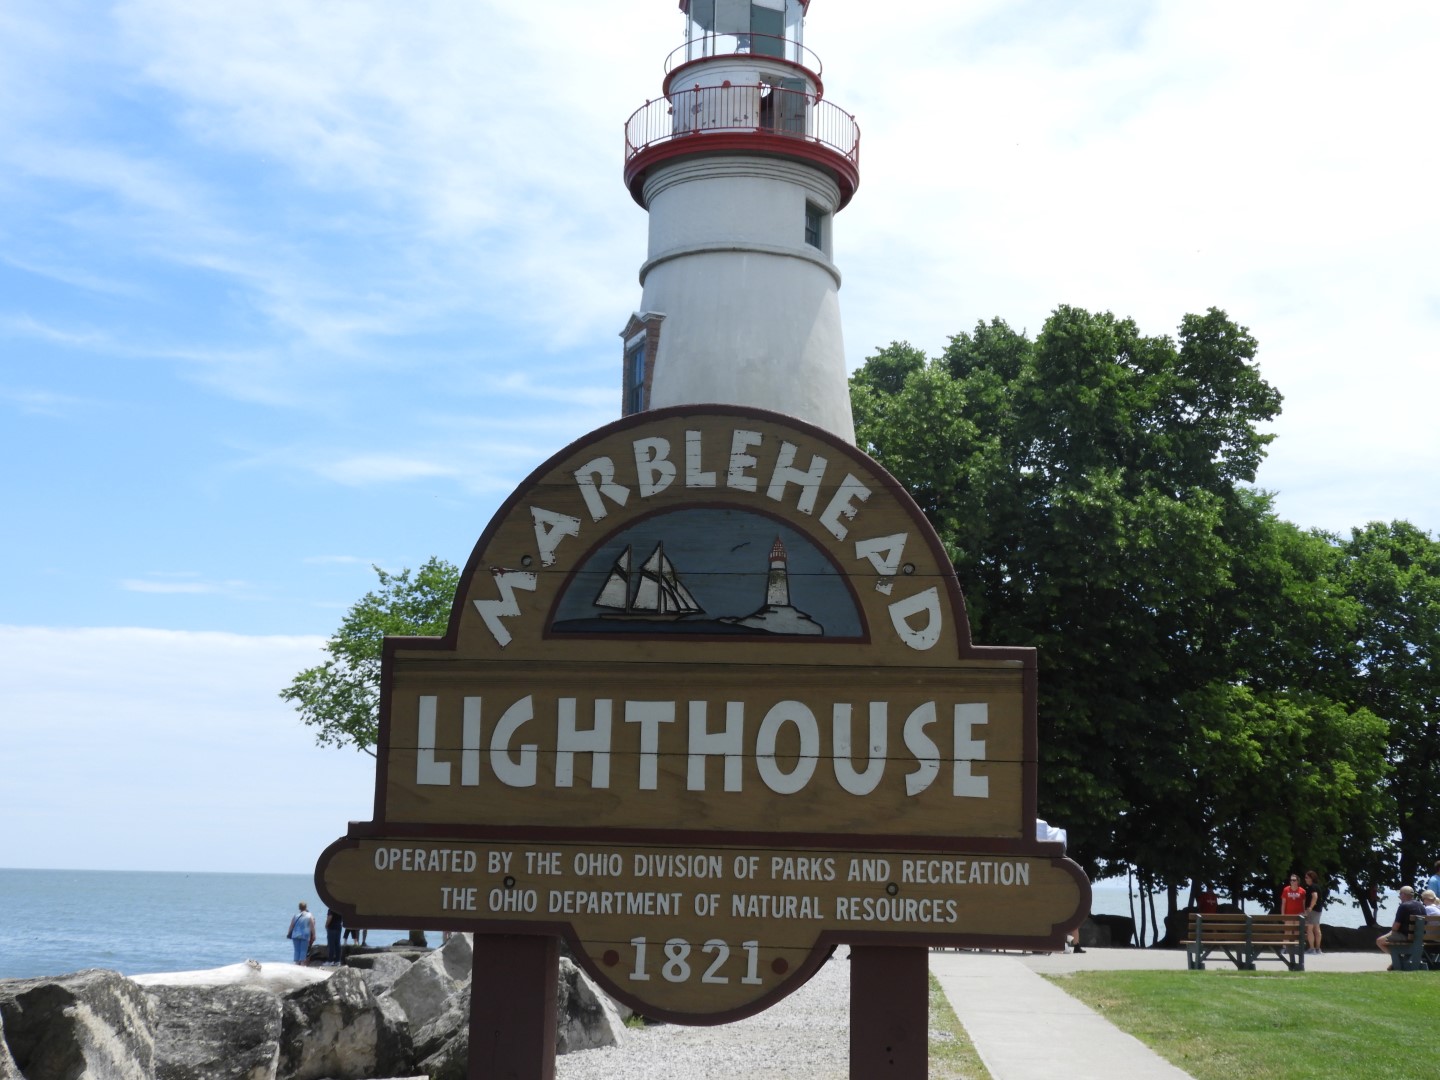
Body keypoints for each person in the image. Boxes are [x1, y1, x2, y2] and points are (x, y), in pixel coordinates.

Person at [1375, 885, 1426, 962]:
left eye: (1400, 894)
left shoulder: (1403, 906)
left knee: (1379, 941)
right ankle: (1399, 961)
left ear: (1404, 894)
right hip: (1420, 937)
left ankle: (1398, 960)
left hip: (1406, 936)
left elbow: (1396, 927)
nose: (1399, 896)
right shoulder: (1421, 905)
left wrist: (1391, 932)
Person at [287, 901, 316, 966]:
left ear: (299, 908)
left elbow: (291, 925)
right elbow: (312, 926)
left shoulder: (296, 916)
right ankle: (302, 964)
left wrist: (289, 933)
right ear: (306, 907)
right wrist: (314, 935)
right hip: (305, 935)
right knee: (303, 950)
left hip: (295, 935)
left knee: (297, 950)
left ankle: (297, 963)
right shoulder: (309, 915)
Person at [1303, 870, 1324, 955]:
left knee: (1309, 929)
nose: (1305, 879)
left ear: (1311, 878)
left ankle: (1312, 948)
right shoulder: (1317, 886)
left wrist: (1310, 907)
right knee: (1317, 928)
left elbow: (1315, 896)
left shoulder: (1312, 887)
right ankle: (1318, 948)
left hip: (1313, 910)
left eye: (1307, 877)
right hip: (1318, 910)